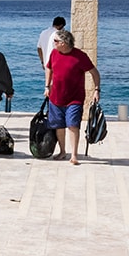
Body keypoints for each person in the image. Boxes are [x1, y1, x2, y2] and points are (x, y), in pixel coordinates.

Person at [45, 29, 101, 165]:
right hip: (55, 97)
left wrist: (97, 90)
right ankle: (63, 151)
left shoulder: (80, 56)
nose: (54, 43)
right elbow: (49, 68)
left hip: (74, 98)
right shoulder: (54, 53)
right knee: (59, 126)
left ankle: (74, 155)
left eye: (56, 41)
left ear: (64, 43)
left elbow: (94, 73)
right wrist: (47, 86)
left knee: (73, 125)